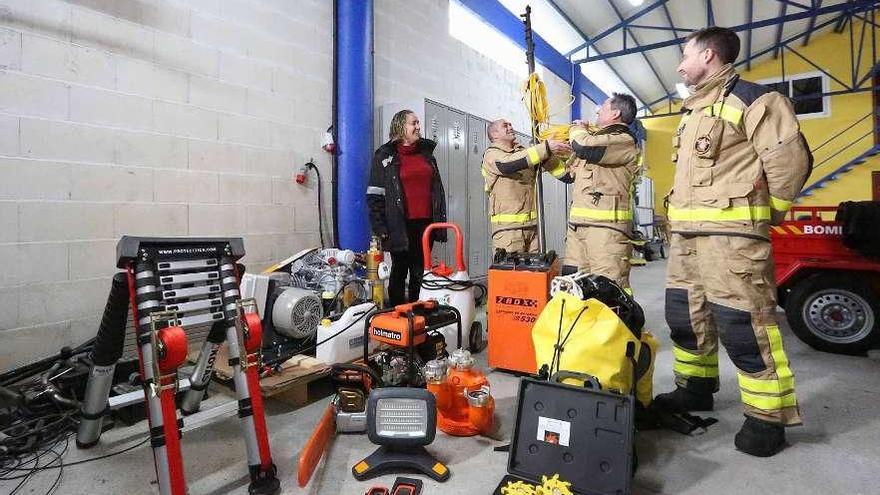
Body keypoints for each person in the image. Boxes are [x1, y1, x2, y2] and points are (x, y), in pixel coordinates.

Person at [654, 27, 812, 456]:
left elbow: (790, 162)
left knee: (744, 327)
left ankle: (767, 418)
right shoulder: (692, 112)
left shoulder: (755, 99)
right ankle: (695, 388)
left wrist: (769, 213)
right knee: (684, 318)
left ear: (708, 55)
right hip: (686, 239)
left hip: (732, 240)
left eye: (684, 54)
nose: (679, 63)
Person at [561, 93, 641, 293]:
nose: (597, 111)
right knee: (573, 286)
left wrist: (577, 129)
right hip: (578, 229)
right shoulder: (598, 142)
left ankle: (620, 324)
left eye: (602, 108)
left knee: (609, 290)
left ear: (615, 113)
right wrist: (545, 153)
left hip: (607, 232)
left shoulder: (622, 141)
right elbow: (567, 175)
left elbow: (582, 145)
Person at [366, 110, 447, 306]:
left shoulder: (427, 154)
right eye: (414, 123)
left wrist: (440, 222)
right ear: (401, 127)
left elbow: (438, 190)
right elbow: (375, 194)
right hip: (399, 224)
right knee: (400, 269)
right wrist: (380, 227)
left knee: (420, 271)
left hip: (426, 224)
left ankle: (417, 312)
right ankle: (397, 312)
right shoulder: (385, 156)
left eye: (418, 123)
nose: (418, 127)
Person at [481, 119, 570, 253]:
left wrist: (564, 151)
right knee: (511, 273)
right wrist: (544, 148)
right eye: (505, 126)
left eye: (511, 124)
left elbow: (566, 175)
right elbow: (506, 165)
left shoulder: (526, 154)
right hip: (508, 231)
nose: (510, 127)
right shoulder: (492, 155)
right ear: (495, 134)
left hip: (533, 228)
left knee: (535, 273)